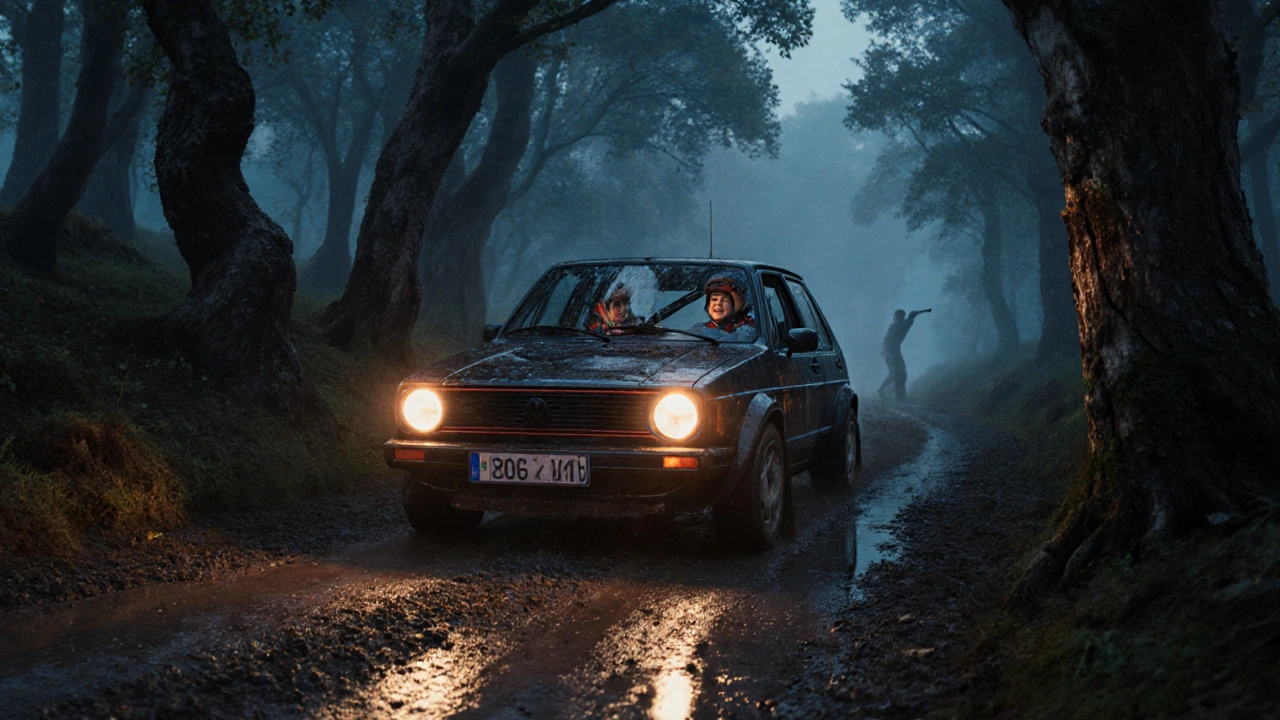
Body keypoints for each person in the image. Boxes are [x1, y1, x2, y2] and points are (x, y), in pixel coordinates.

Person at [878, 308, 931, 402]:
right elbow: (886, 342)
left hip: (894, 350)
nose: (900, 319)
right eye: (899, 317)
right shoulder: (897, 326)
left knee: (900, 373)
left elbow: (912, 315)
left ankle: (898, 396)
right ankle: (885, 392)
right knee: (896, 373)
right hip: (890, 351)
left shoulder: (905, 324)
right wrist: (887, 353)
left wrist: (923, 311)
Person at [697, 276, 757, 342]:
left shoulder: (749, 329)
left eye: (725, 300)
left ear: (735, 305)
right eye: (714, 299)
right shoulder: (698, 330)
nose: (718, 303)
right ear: (708, 306)